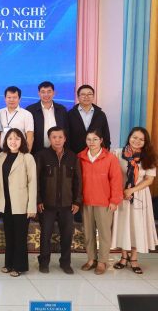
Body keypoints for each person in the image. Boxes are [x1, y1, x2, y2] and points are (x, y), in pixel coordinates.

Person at [35, 127, 82, 274]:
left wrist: (77, 201)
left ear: (65, 139)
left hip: (67, 205)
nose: (57, 140)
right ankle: (44, 263)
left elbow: (78, 181)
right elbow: (35, 180)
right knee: (45, 235)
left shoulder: (73, 157)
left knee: (67, 236)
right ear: (49, 139)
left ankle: (65, 263)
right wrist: (38, 200)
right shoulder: (42, 155)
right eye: (54, 137)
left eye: (60, 137)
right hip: (46, 205)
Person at [111, 127, 158, 274]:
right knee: (123, 225)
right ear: (129, 137)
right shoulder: (117, 153)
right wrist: (121, 191)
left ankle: (134, 258)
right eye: (134, 137)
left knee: (136, 226)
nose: (137, 141)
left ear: (145, 142)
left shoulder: (149, 157)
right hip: (121, 195)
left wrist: (131, 190)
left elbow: (149, 179)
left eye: (141, 139)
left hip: (139, 195)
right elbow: (111, 173)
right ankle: (123, 257)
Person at [78, 129, 123, 274]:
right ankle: (91, 259)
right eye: (89, 139)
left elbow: (116, 180)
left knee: (104, 233)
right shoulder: (80, 157)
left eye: (95, 139)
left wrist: (114, 200)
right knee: (88, 232)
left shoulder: (110, 158)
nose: (92, 142)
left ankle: (102, 261)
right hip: (86, 201)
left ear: (101, 140)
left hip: (104, 202)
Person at [0, 128, 37, 277]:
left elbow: (32, 183)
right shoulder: (1, 156)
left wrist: (31, 206)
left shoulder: (27, 157)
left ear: (22, 141)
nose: (13, 141)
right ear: (6, 140)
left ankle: (19, 266)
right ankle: (9, 264)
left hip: (21, 204)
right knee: (9, 235)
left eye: (17, 138)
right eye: (10, 138)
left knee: (20, 237)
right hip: (6, 203)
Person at [26, 81, 69, 155]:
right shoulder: (30, 110)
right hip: (37, 151)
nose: (46, 94)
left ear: (54, 93)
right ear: (39, 93)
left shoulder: (61, 109)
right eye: (43, 92)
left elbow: (66, 131)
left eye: (49, 91)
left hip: (58, 151)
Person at [67, 85, 111, 153]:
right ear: (78, 97)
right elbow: (67, 136)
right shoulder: (70, 114)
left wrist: (106, 149)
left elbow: (106, 134)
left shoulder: (101, 114)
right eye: (83, 94)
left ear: (93, 96)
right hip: (75, 153)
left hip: (96, 153)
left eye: (89, 94)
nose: (86, 97)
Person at [0, 86, 34, 152]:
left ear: (19, 99)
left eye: (14, 97)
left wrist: (26, 153)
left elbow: (30, 136)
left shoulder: (27, 114)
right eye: (9, 97)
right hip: (2, 152)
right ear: (5, 98)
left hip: (20, 152)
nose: (11, 100)